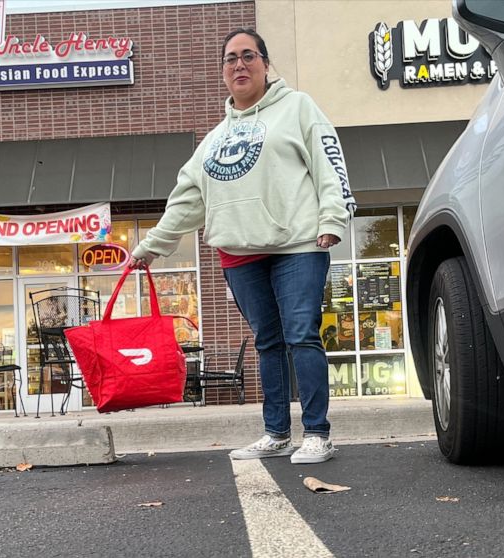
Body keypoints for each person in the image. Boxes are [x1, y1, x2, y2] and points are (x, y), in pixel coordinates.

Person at [129, 28, 355, 464]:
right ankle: (275, 433)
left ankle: (317, 434)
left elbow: (329, 162)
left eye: (248, 55)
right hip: (239, 253)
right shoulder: (214, 139)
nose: (239, 65)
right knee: (267, 342)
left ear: (266, 65)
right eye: (230, 58)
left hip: (297, 243)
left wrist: (333, 218)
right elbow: (188, 199)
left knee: (302, 335)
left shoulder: (298, 108)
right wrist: (151, 246)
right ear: (223, 72)